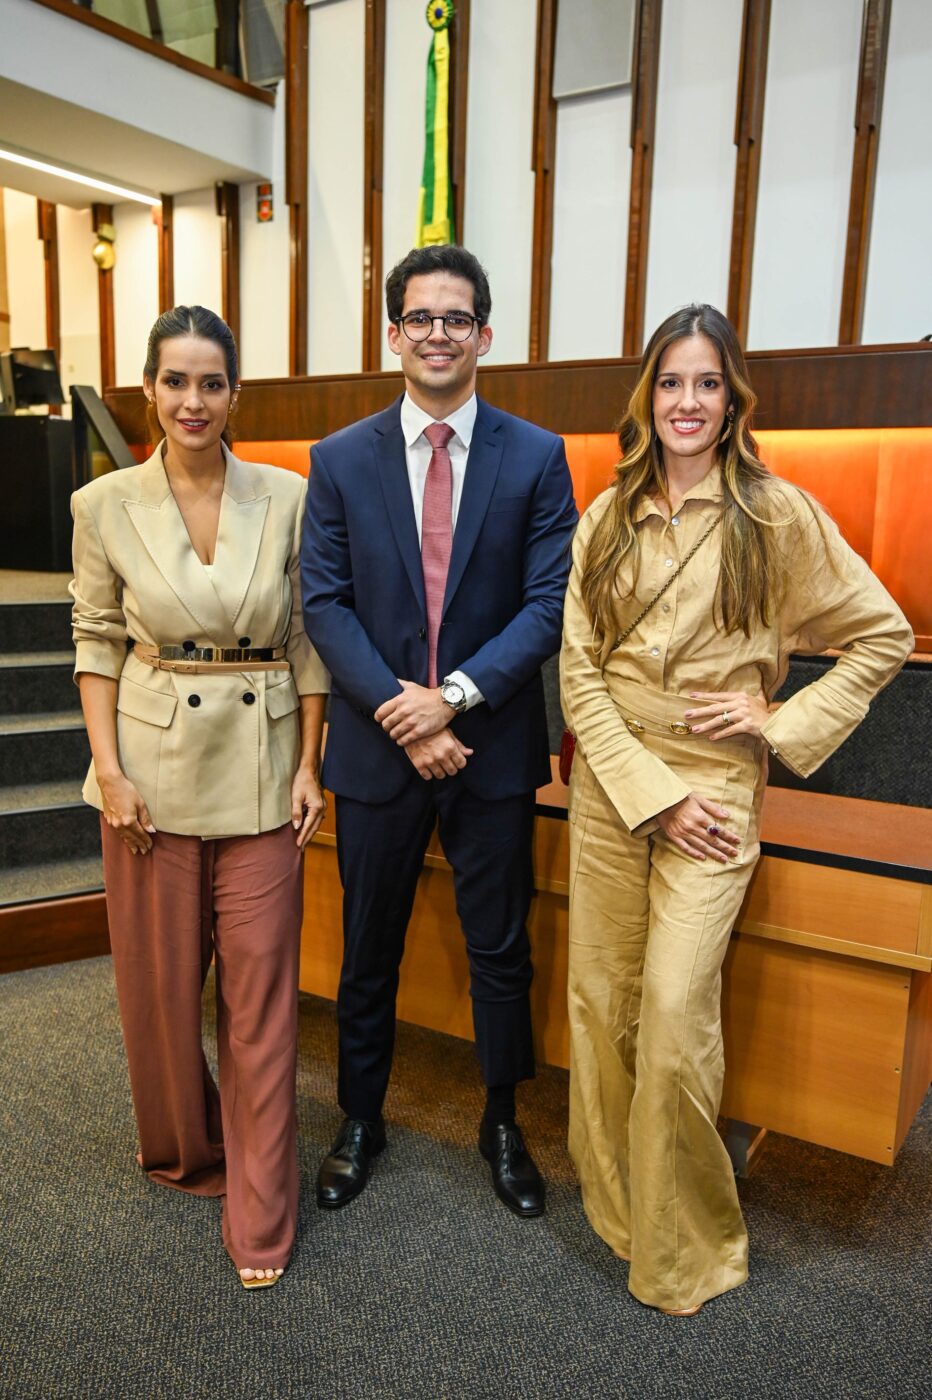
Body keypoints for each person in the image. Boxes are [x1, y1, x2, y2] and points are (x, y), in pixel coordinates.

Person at [560, 304, 913, 1316]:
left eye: (704, 383)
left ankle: (686, 1247)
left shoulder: (775, 514)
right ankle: (621, 1210)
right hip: (611, 782)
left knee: (672, 1012)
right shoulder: (606, 515)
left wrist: (775, 718)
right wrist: (643, 790)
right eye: (668, 382)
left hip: (711, 786)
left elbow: (879, 635)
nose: (685, 401)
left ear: (731, 399)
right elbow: (577, 674)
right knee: (599, 1003)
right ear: (646, 396)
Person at [301, 244, 577, 1217]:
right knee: (366, 946)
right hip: (377, 749)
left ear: (484, 334)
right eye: (419, 317)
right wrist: (402, 711)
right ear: (392, 335)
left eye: (455, 318)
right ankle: (361, 1116)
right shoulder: (335, 461)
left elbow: (546, 606)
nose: (436, 333)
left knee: (500, 946)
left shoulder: (537, 457)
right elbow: (324, 605)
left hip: (489, 745)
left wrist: (450, 697)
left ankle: (502, 1120)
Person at [70, 306, 330, 1290]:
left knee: (261, 996)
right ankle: (187, 1154)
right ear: (149, 388)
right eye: (175, 381)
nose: (193, 400)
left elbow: (307, 636)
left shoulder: (288, 496)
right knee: (159, 992)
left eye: (211, 382)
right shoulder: (103, 503)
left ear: (234, 394)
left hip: (265, 773)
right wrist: (112, 772)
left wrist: (313, 762)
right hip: (148, 773)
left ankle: (261, 1209)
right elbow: (96, 639)